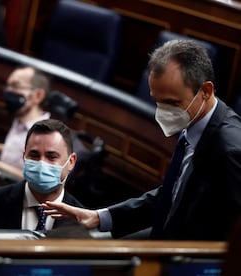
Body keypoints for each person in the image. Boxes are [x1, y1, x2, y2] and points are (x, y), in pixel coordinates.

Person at [43, 39, 241, 241]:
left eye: (171, 103)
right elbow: (174, 194)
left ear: (205, 91)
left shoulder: (231, 150)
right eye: (158, 102)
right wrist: (99, 217)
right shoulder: (194, 122)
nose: (164, 112)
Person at [0, 119, 83, 231]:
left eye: (51, 157)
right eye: (34, 155)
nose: (41, 163)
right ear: (24, 157)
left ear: (71, 162)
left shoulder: (81, 219)